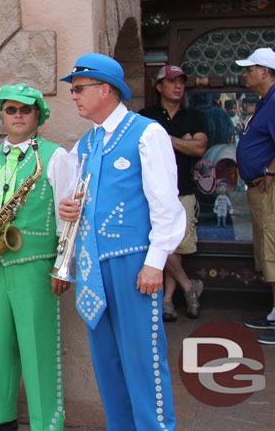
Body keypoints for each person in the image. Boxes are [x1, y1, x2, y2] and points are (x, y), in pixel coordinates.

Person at [58, 53, 185, 430]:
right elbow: (80, 199)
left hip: (133, 264)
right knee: (108, 362)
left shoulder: (147, 132)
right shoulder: (85, 143)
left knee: (144, 358)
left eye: (79, 89)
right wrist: (69, 208)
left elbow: (166, 203)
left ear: (106, 90)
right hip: (93, 265)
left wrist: (155, 261)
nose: (75, 97)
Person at [0, 84, 75, 431]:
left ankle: (47, 424)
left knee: (39, 346)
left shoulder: (55, 157)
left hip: (36, 264)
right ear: (2, 116)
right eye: (11, 110)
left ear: (38, 115)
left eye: (26, 110)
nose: (19, 116)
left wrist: (63, 266)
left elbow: (67, 216)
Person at [139, 65, 207, 322]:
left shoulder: (194, 116)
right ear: (159, 87)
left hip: (183, 190)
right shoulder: (146, 116)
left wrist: (166, 139)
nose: (178, 86)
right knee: (162, 243)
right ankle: (189, 286)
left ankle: (167, 300)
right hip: (152, 192)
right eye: (171, 82)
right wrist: (183, 142)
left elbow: (199, 148)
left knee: (175, 247)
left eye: (181, 82)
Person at [234, 48, 275, 346]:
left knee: (273, 249)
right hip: (260, 188)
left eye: (250, 69)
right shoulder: (265, 103)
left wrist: (271, 172)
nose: (245, 74)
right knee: (266, 250)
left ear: (265, 71)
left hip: (269, 188)